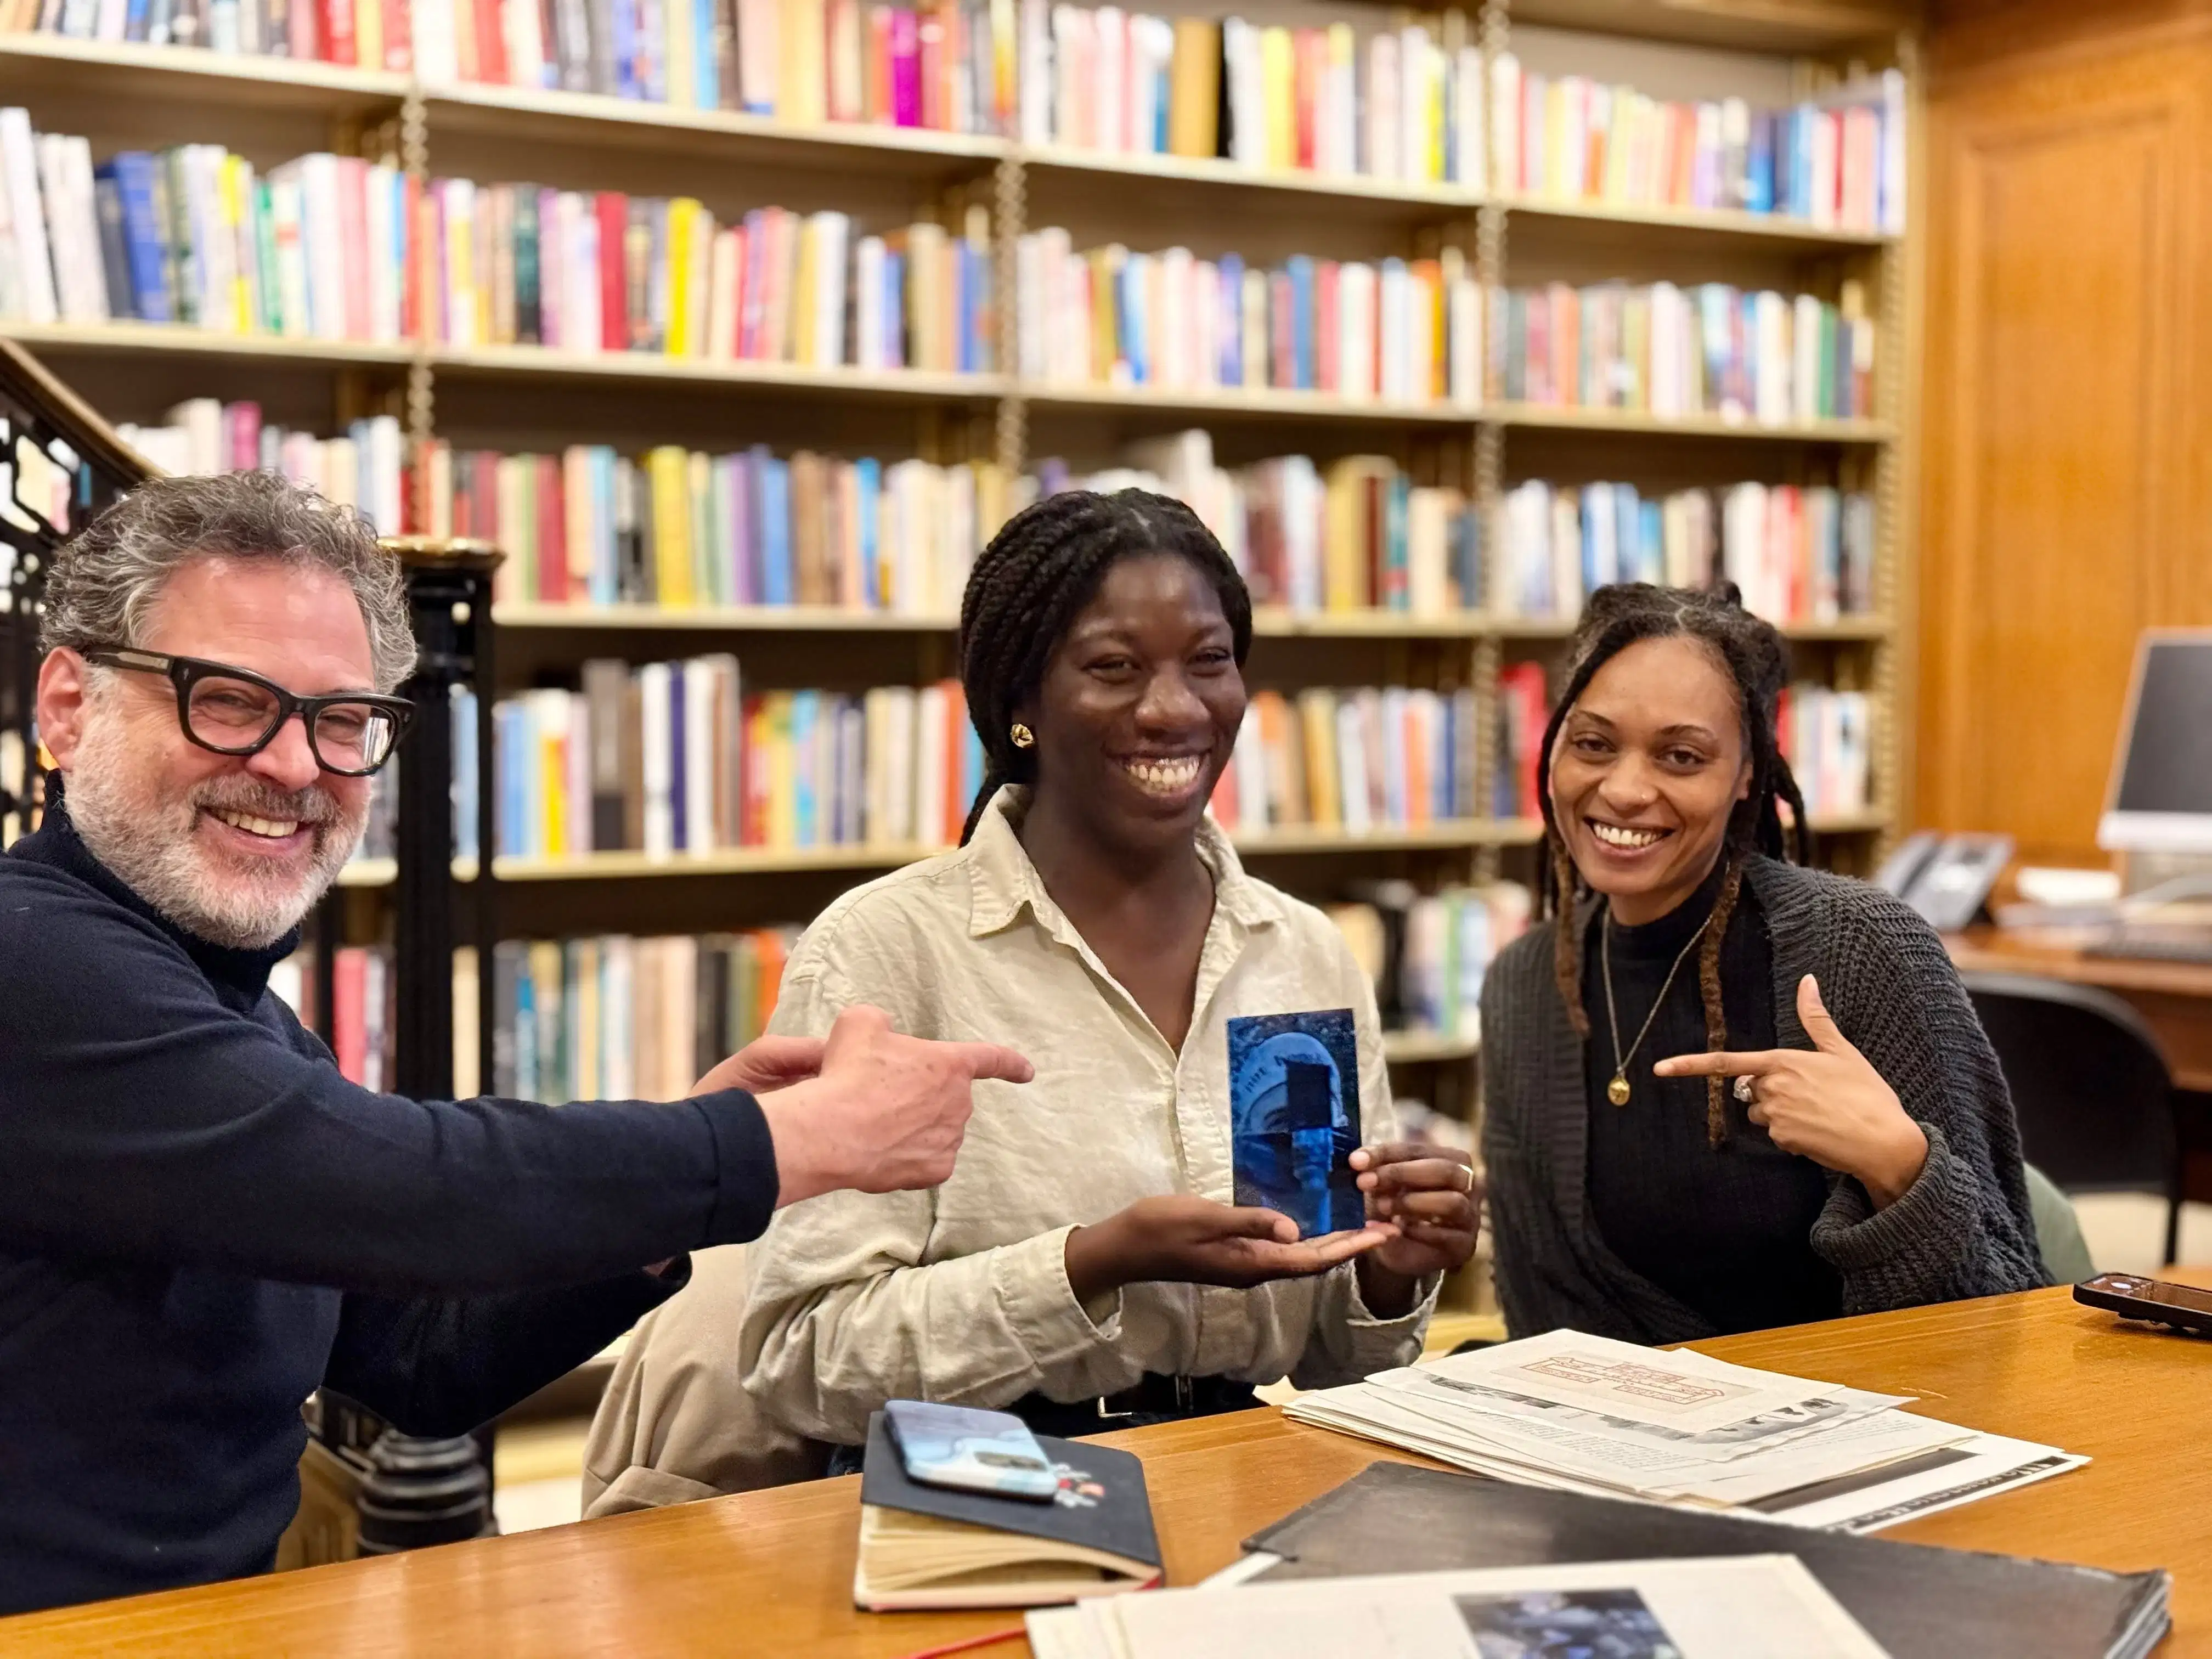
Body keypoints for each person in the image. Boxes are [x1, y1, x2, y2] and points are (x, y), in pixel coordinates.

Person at [0, 472, 1030, 1616]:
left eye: (342, 721)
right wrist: (767, 1143)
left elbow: (425, 1360)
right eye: (231, 701)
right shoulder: (30, 960)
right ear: (65, 708)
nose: (296, 768)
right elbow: (407, 1187)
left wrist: (699, 1183)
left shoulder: (233, 1010)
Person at [730, 488, 1480, 1465]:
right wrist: (1089, 1267)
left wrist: (1393, 1275)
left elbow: (1342, 1362)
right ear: (1020, 706)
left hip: (1242, 1463)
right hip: (969, 1480)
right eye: (1114, 668)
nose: (1174, 709)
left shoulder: (1301, 952)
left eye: (1209, 662)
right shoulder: (888, 951)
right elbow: (803, 1360)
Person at [1479, 583, 2046, 1346]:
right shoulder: (1524, 989)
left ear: (1749, 771)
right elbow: (1541, 1328)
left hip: (1866, 1432)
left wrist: (1899, 1167)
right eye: (1593, 744)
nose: (1624, 789)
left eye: (1682, 756)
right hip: (1623, 1448)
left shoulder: (1861, 950)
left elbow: (2013, 1321)